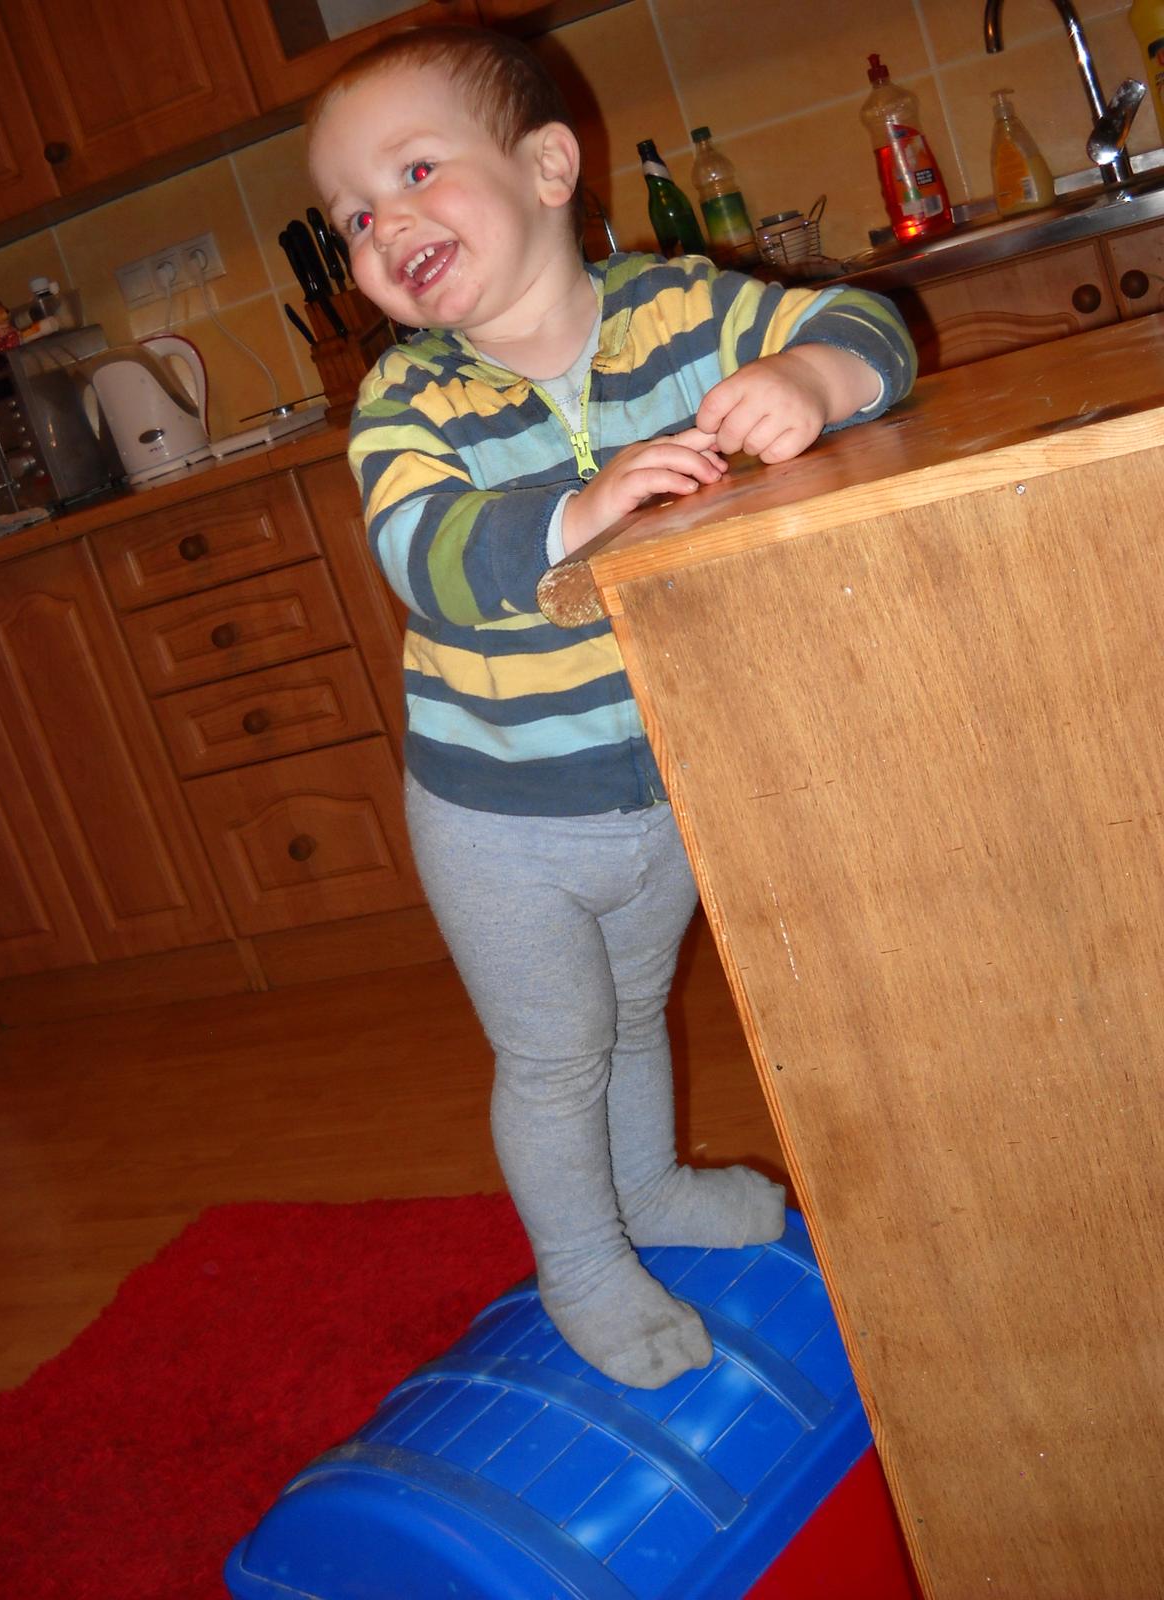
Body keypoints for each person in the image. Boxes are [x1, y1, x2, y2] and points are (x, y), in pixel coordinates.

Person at [308, 26, 917, 1390]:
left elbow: (867, 327)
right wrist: (574, 515)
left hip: (662, 785)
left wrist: (812, 378)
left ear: (546, 167)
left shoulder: (682, 314)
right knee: (556, 1053)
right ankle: (580, 1263)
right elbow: (422, 554)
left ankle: (648, 1193)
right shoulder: (406, 399)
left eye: (413, 171)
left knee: (636, 1014)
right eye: (350, 214)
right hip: (499, 815)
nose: (381, 221)